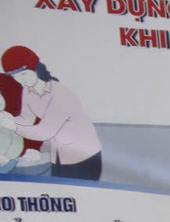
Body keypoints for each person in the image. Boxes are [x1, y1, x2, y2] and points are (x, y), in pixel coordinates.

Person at [0, 47, 102, 180]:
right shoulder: (28, 91)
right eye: (15, 76)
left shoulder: (60, 93)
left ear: (35, 67)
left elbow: (45, 131)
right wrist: (10, 119)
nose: (21, 80)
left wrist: (13, 126)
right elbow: (26, 119)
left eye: (24, 74)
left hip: (83, 156)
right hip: (59, 155)